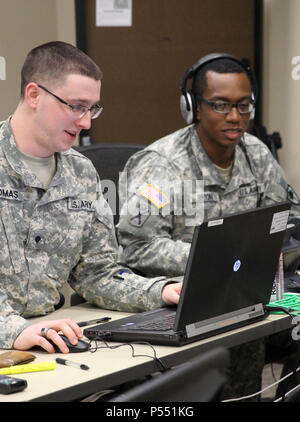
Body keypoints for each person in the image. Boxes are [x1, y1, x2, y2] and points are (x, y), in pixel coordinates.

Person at [117, 53, 300, 401]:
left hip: (245, 296)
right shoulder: (161, 165)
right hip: (180, 301)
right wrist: (216, 256)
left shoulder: (256, 153)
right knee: (235, 340)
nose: (234, 117)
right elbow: (136, 248)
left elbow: (287, 218)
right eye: (221, 105)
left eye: (243, 106)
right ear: (193, 107)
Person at [0, 41, 181, 354]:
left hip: (49, 342)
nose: (85, 123)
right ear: (34, 95)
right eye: (76, 106)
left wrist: (161, 291)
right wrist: (16, 330)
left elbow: (97, 275)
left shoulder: (81, 172)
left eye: (92, 109)